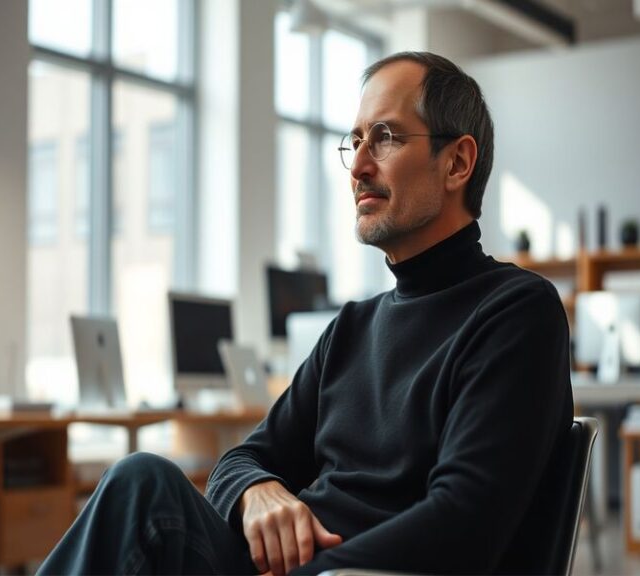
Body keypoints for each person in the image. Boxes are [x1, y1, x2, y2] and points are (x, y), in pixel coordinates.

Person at [37, 51, 572, 576]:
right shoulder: (351, 329)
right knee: (142, 483)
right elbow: (238, 461)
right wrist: (256, 490)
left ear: (456, 162)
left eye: (385, 137)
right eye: (357, 140)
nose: (359, 165)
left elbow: (464, 526)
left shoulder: (515, 312)